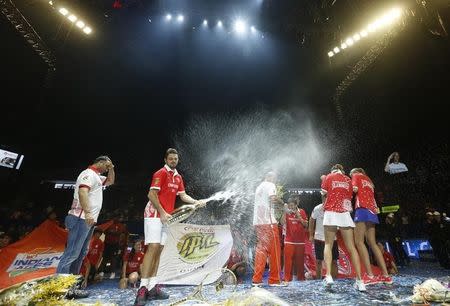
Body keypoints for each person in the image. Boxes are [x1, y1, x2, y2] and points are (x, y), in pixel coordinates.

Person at [134, 148, 206, 306]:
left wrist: (196, 202)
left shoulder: (178, 176)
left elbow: (183, 195)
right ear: (165, 160)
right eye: (171, 159)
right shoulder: (160, 173)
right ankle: (142, 288)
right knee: (152, 248)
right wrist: (161, 213)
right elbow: (151, 195)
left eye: (176, 159)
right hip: (154, 214)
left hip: (167, 217)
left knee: (159, 250)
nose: (174, 161)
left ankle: (152, 287)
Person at [56, 156, 114, 297]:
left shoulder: (97, 177)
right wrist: (88, 213)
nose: (107, 169)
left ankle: (72, 287)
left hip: (87, 221)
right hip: (80, 218)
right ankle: (60, 288)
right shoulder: (88, 174)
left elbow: (111, 181)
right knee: (71, 254)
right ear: (99, 162)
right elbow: (83, 192)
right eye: (106, 166)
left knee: (80, 255)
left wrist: (112, 168)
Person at [321, 164, 366, 291]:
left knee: (328, 245)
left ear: (332, 170)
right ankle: (360, 281)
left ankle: (328, 275)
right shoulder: (348, 179)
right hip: (345, 213)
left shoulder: (328, 177)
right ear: (342, 170)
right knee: (352, 247)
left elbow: (324, 195)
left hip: (331, 212)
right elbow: (352, 195)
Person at [350, 168, 393, 285]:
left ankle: (369, 275)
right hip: (372, 211)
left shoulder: (356, 176)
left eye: (350, 175)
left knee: (359, 242)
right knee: (372, 242)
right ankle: (386, 276)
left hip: (362, 209)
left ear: (354, 172)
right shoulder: (369, 180)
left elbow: (353, 189)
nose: (351, 176)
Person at [251, 171, 286, 287]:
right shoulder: (270, 185)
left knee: (261, 250)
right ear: (271, 177)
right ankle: (275, 280)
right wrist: (282, 203)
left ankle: (257, 280)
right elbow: (273, 199)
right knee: (275, 251)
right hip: (269, 222)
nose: (275, 181)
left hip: (259, 222)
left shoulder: (259, 187)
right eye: (275, 178)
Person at [308, 198, 338, 280]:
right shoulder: (317, 208)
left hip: (332, 239)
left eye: (328, 198)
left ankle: (335, 280)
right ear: (322, 199)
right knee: (318, 261)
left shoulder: (334, 208)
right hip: (319, 238)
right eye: (324, 199)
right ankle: (318, 281)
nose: (326, 200)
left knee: (334, 261)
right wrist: (311, 235)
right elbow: (311, 220)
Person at [281, 197, 308, 282]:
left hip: (300, 242)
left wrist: (299, 216)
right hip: (289, 241)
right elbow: (281, 223)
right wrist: (285, 212)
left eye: (292, 205)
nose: (291, 208)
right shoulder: (287, 212)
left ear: (296, 205)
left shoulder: (302, 211)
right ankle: (287, 279)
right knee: (288, 262)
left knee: (300, 263)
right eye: (289, 206)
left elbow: (306, 225)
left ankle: (301, 280)